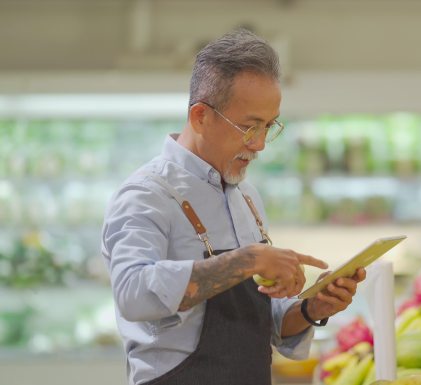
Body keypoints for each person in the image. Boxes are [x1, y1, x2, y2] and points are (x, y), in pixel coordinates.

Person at [101, 28, 366, 385]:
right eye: (248, 127)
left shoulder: (246, 196)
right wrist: (247, 260)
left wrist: (310, 308)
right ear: (200, 116)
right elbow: (132, 293)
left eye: (269, 126)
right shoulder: (147, 194)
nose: (259, 145)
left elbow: (262, 323)